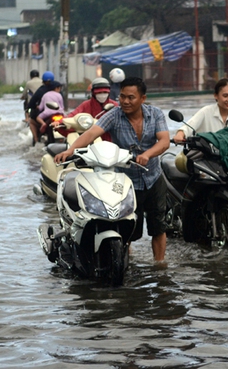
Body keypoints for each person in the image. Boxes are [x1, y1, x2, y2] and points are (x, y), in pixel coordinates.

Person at [54, 77, 170, 262]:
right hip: (125, 181)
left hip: (153, 177)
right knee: (127, 224)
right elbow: (92, 133)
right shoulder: (114, 115)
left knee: (159, 226)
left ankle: (160, 265)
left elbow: (164, 141)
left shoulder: (155, 114)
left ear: (143, 98)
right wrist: (69, 150)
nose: (125, 101)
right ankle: (125, 262)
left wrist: (147, 154)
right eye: (122, 96)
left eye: (131, 97)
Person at [173, 78, 228, 144]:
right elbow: (188, 126)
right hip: (208, 158)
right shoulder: (205, 112)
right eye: (225, 96)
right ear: (216, 96)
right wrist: (180, 135)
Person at [55, 77, 118, 142]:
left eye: (105, 92)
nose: (102, 95)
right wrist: (59, 122)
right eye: (99, 93)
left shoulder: (114, 105)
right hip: (90, 139)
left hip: (111, 140)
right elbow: (73, 115)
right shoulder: (86, 105)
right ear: (93, 93)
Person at [27, 71, 55, 145]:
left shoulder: (41, 90)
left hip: (44, 114)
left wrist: (33, 106)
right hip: (57, 113)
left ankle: (36, 140)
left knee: (31, 122)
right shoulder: (57, 89)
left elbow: (31, 103)